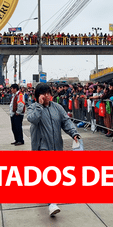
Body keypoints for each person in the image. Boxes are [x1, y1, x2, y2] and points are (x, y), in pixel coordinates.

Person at [26, 83, 81, 216]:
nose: (46, 96)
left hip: (57, 147)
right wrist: (39, 106)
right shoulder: (33, 107)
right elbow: (32, 119)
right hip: (42, 148)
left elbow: (66, 121)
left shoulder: (57, 107)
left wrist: (74, 133)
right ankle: (52, 204)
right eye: (43, 94)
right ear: (37, 96)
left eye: (48, 93)